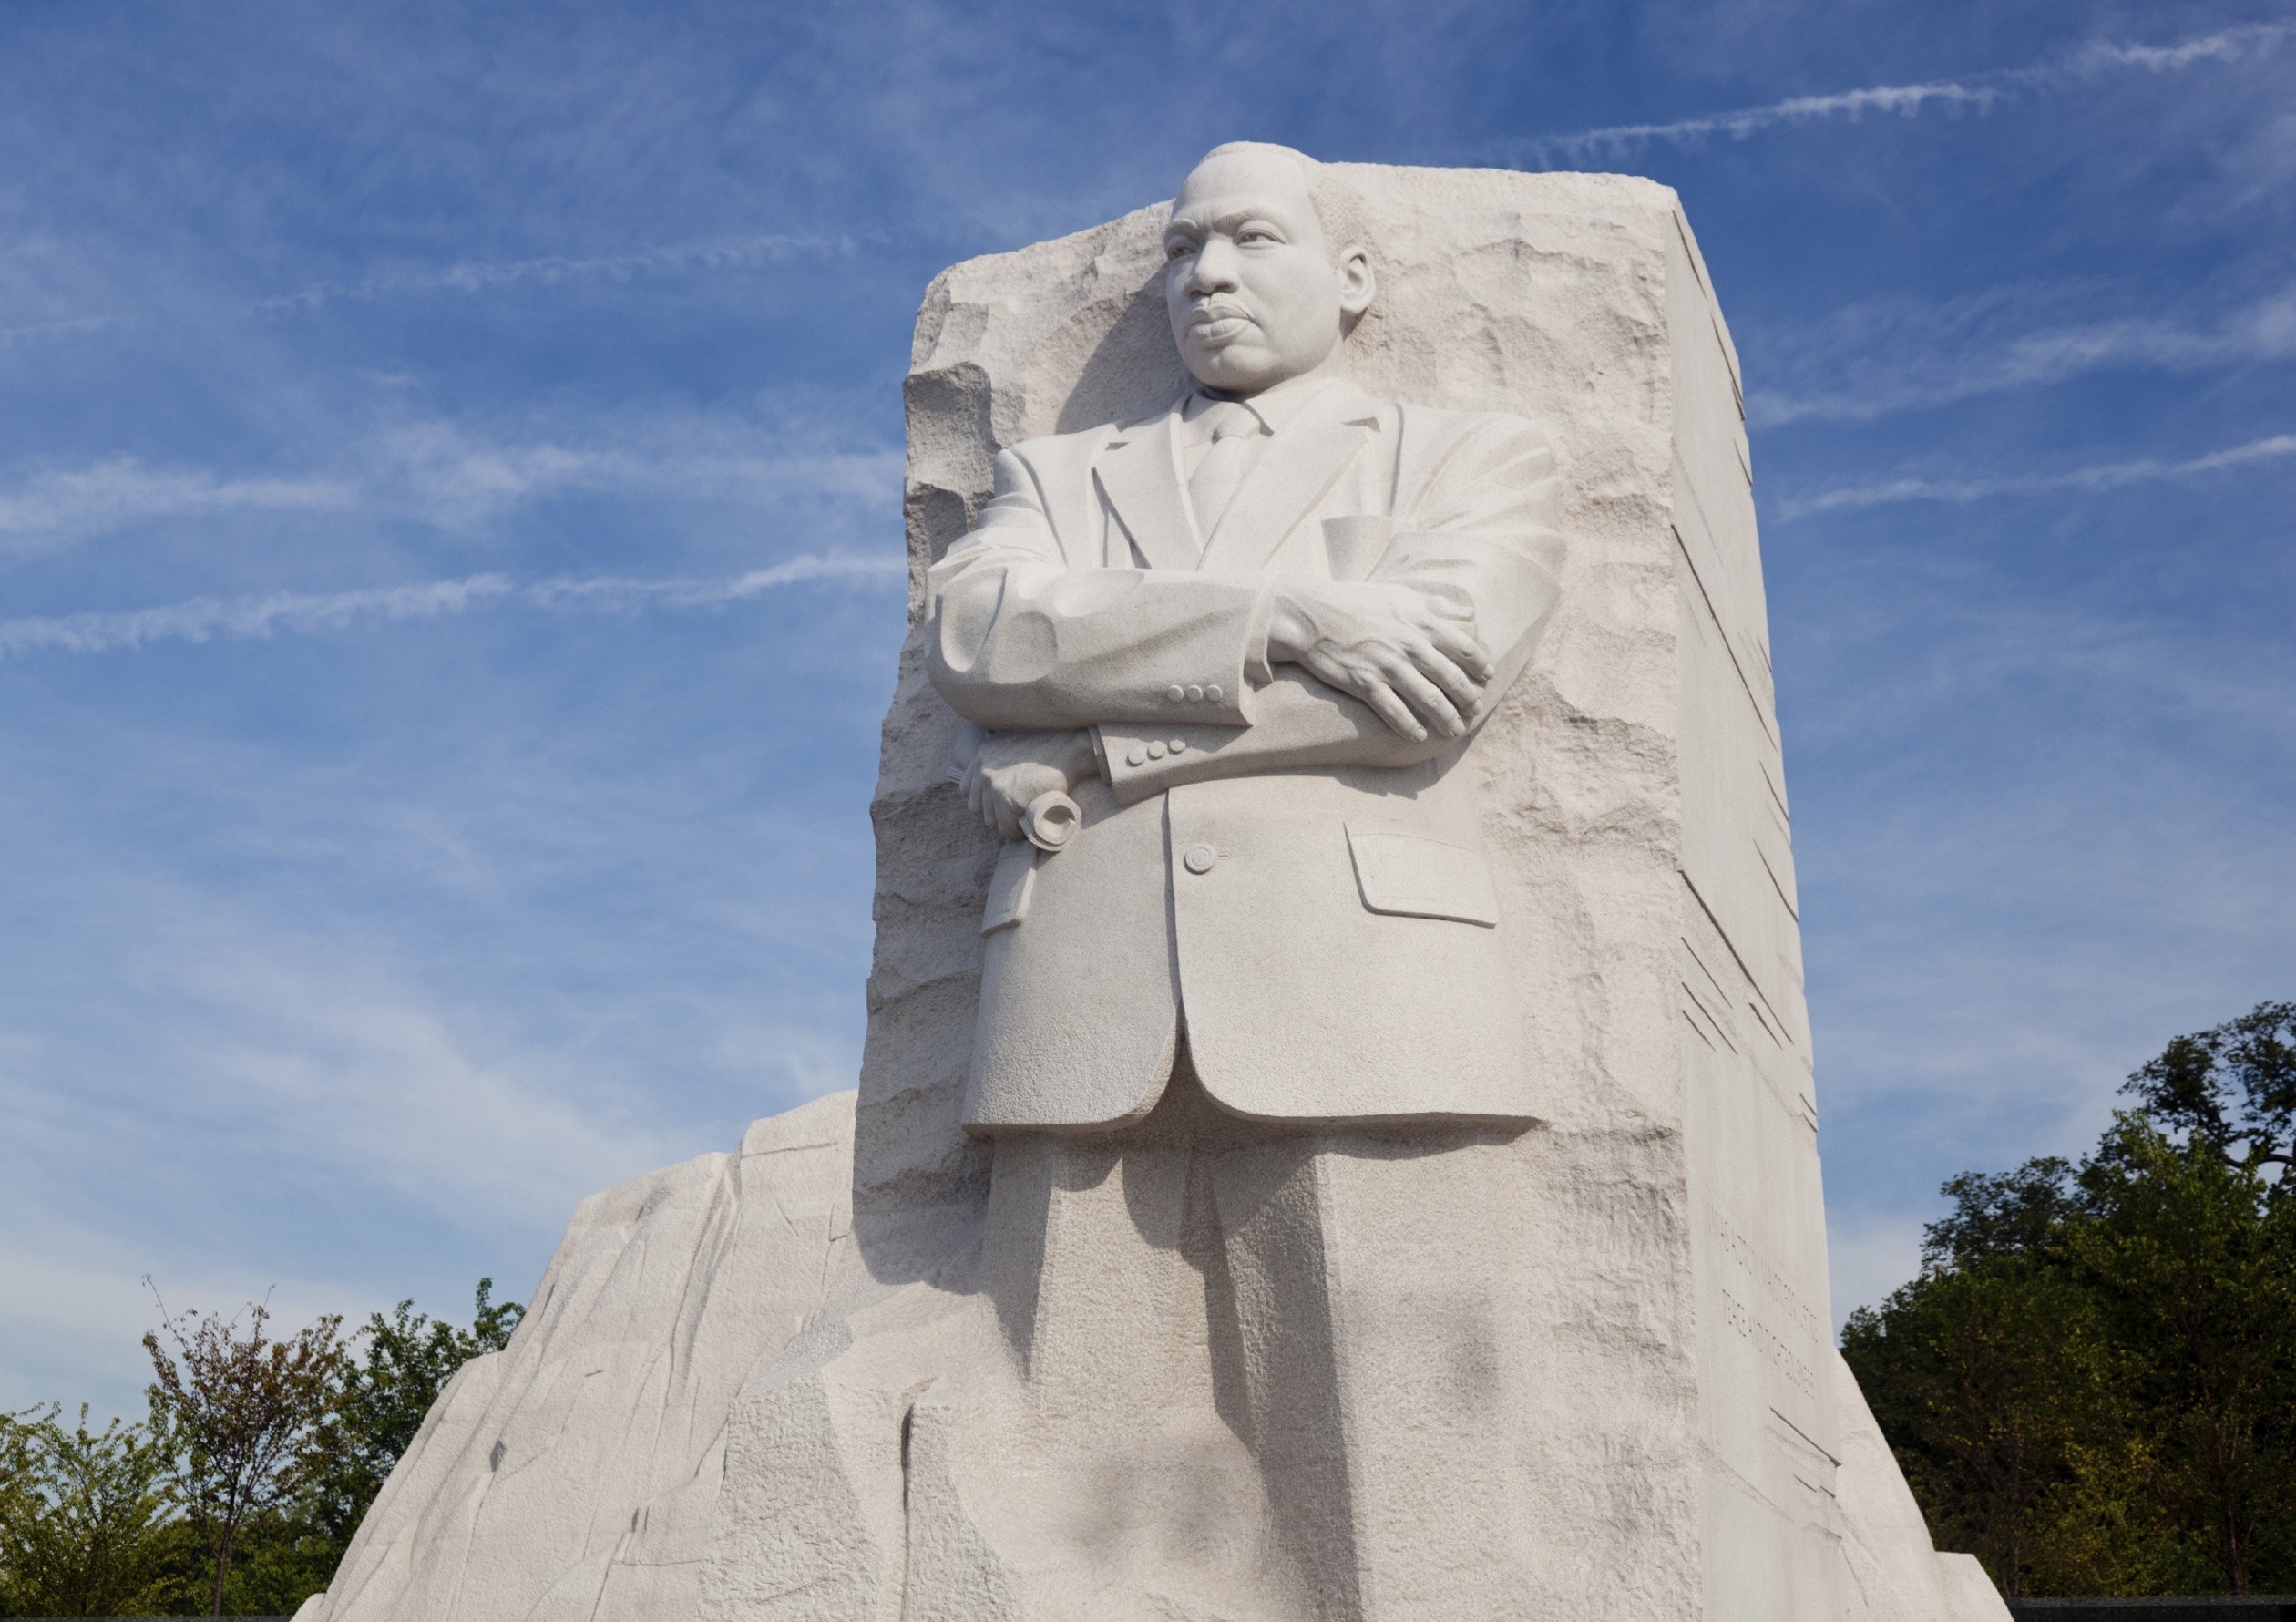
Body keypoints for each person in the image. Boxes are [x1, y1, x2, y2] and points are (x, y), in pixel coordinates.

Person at [913, 141, 1567, 1617]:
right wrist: (1277, 613)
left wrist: (1100, 752)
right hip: (1080, 1001)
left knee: (1405, 1493)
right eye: (1183, 248)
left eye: (1252, 240)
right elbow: (983, 642)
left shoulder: (1467, 458)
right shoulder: (1054, 476)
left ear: (1350, 277)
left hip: (1367, 999)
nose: (1205, 276)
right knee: (1051, 1493)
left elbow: (1421, 695)